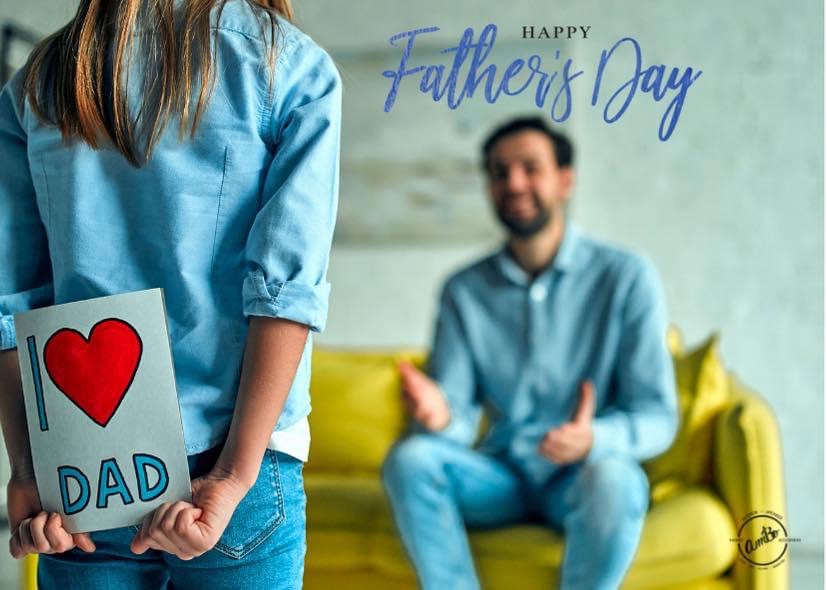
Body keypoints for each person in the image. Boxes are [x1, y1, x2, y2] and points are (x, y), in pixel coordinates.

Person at [0, 0, 340, 587]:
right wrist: (233, 475)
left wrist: (28, 465)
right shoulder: (286, 63)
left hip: (85, 472)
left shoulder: (40, 79)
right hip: (237, 468)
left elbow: (11, 299)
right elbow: (285, 289)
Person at [382, 117, 678, 590]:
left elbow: (657, 416)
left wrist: (593, 439)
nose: (513, 183)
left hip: (581, 475)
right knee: (411, 459)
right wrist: (438, 418)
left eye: (529, 168)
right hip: (501, 476)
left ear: (565, 180)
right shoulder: (462, 290)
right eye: (499, 172)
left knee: (616, 481)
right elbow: (456, 419)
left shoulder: (627, 278)